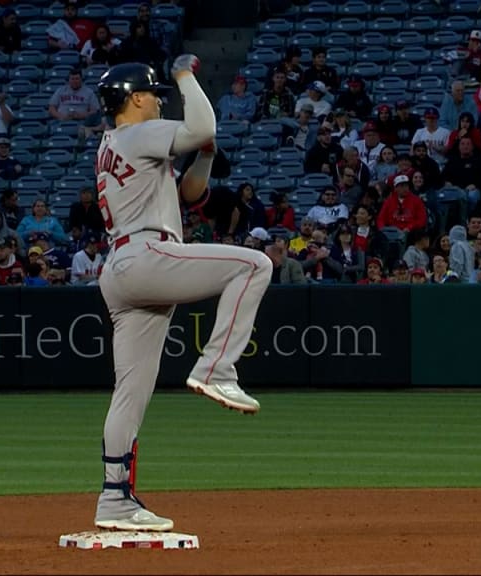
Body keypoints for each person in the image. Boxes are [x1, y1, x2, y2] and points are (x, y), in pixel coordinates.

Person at [92, 59, 271, 533]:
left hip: (122, 267)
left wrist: (206, 156)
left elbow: (190, 194)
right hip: (148, 254)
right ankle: (216, 369)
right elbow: (201, 124)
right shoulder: (136, 133)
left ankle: (114, 499)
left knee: (129, 392)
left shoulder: (116, 143)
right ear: (134, 99)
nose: (156, 99)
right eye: (152, 94)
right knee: (255, 264)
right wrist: (186, 76)